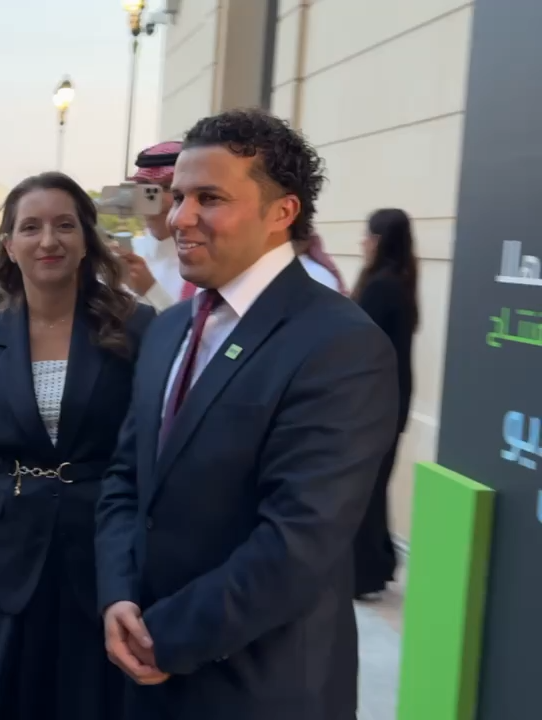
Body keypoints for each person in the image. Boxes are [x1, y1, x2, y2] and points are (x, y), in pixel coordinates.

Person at [94, 109, 399, 720]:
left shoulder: (340, 344)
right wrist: (118, 597)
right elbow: (126, 479)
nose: (180, 217)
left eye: (209, 198)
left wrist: (166, 637)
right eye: (179, 196)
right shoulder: (169, 329)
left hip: (261, 687)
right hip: (143, 672)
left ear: (281, 212)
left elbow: (299, 540)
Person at [0, 172, 154, 719]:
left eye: (64, 225)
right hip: (5, 562)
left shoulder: (134, 327)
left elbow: (149, 456)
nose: (48, 240)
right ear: (9, 244)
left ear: (85, 239)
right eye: (30, 227)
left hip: (101, 560)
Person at [351, 208, 418, 598]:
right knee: (374, 485)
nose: (362, 243)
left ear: (378, 241)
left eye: (368, 235)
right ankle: (379, 563)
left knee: (365, 488)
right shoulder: (401, 283)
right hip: (391, 398)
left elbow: (361, 345)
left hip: (375, 400)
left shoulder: (381, 287)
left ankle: (366, 573)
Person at [116, 141, 191, 309]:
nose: (155, 198)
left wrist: (150, 290)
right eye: (146, 187)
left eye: (167, 187)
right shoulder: (121, 256)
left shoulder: (206, 264)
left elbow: (192, 326)